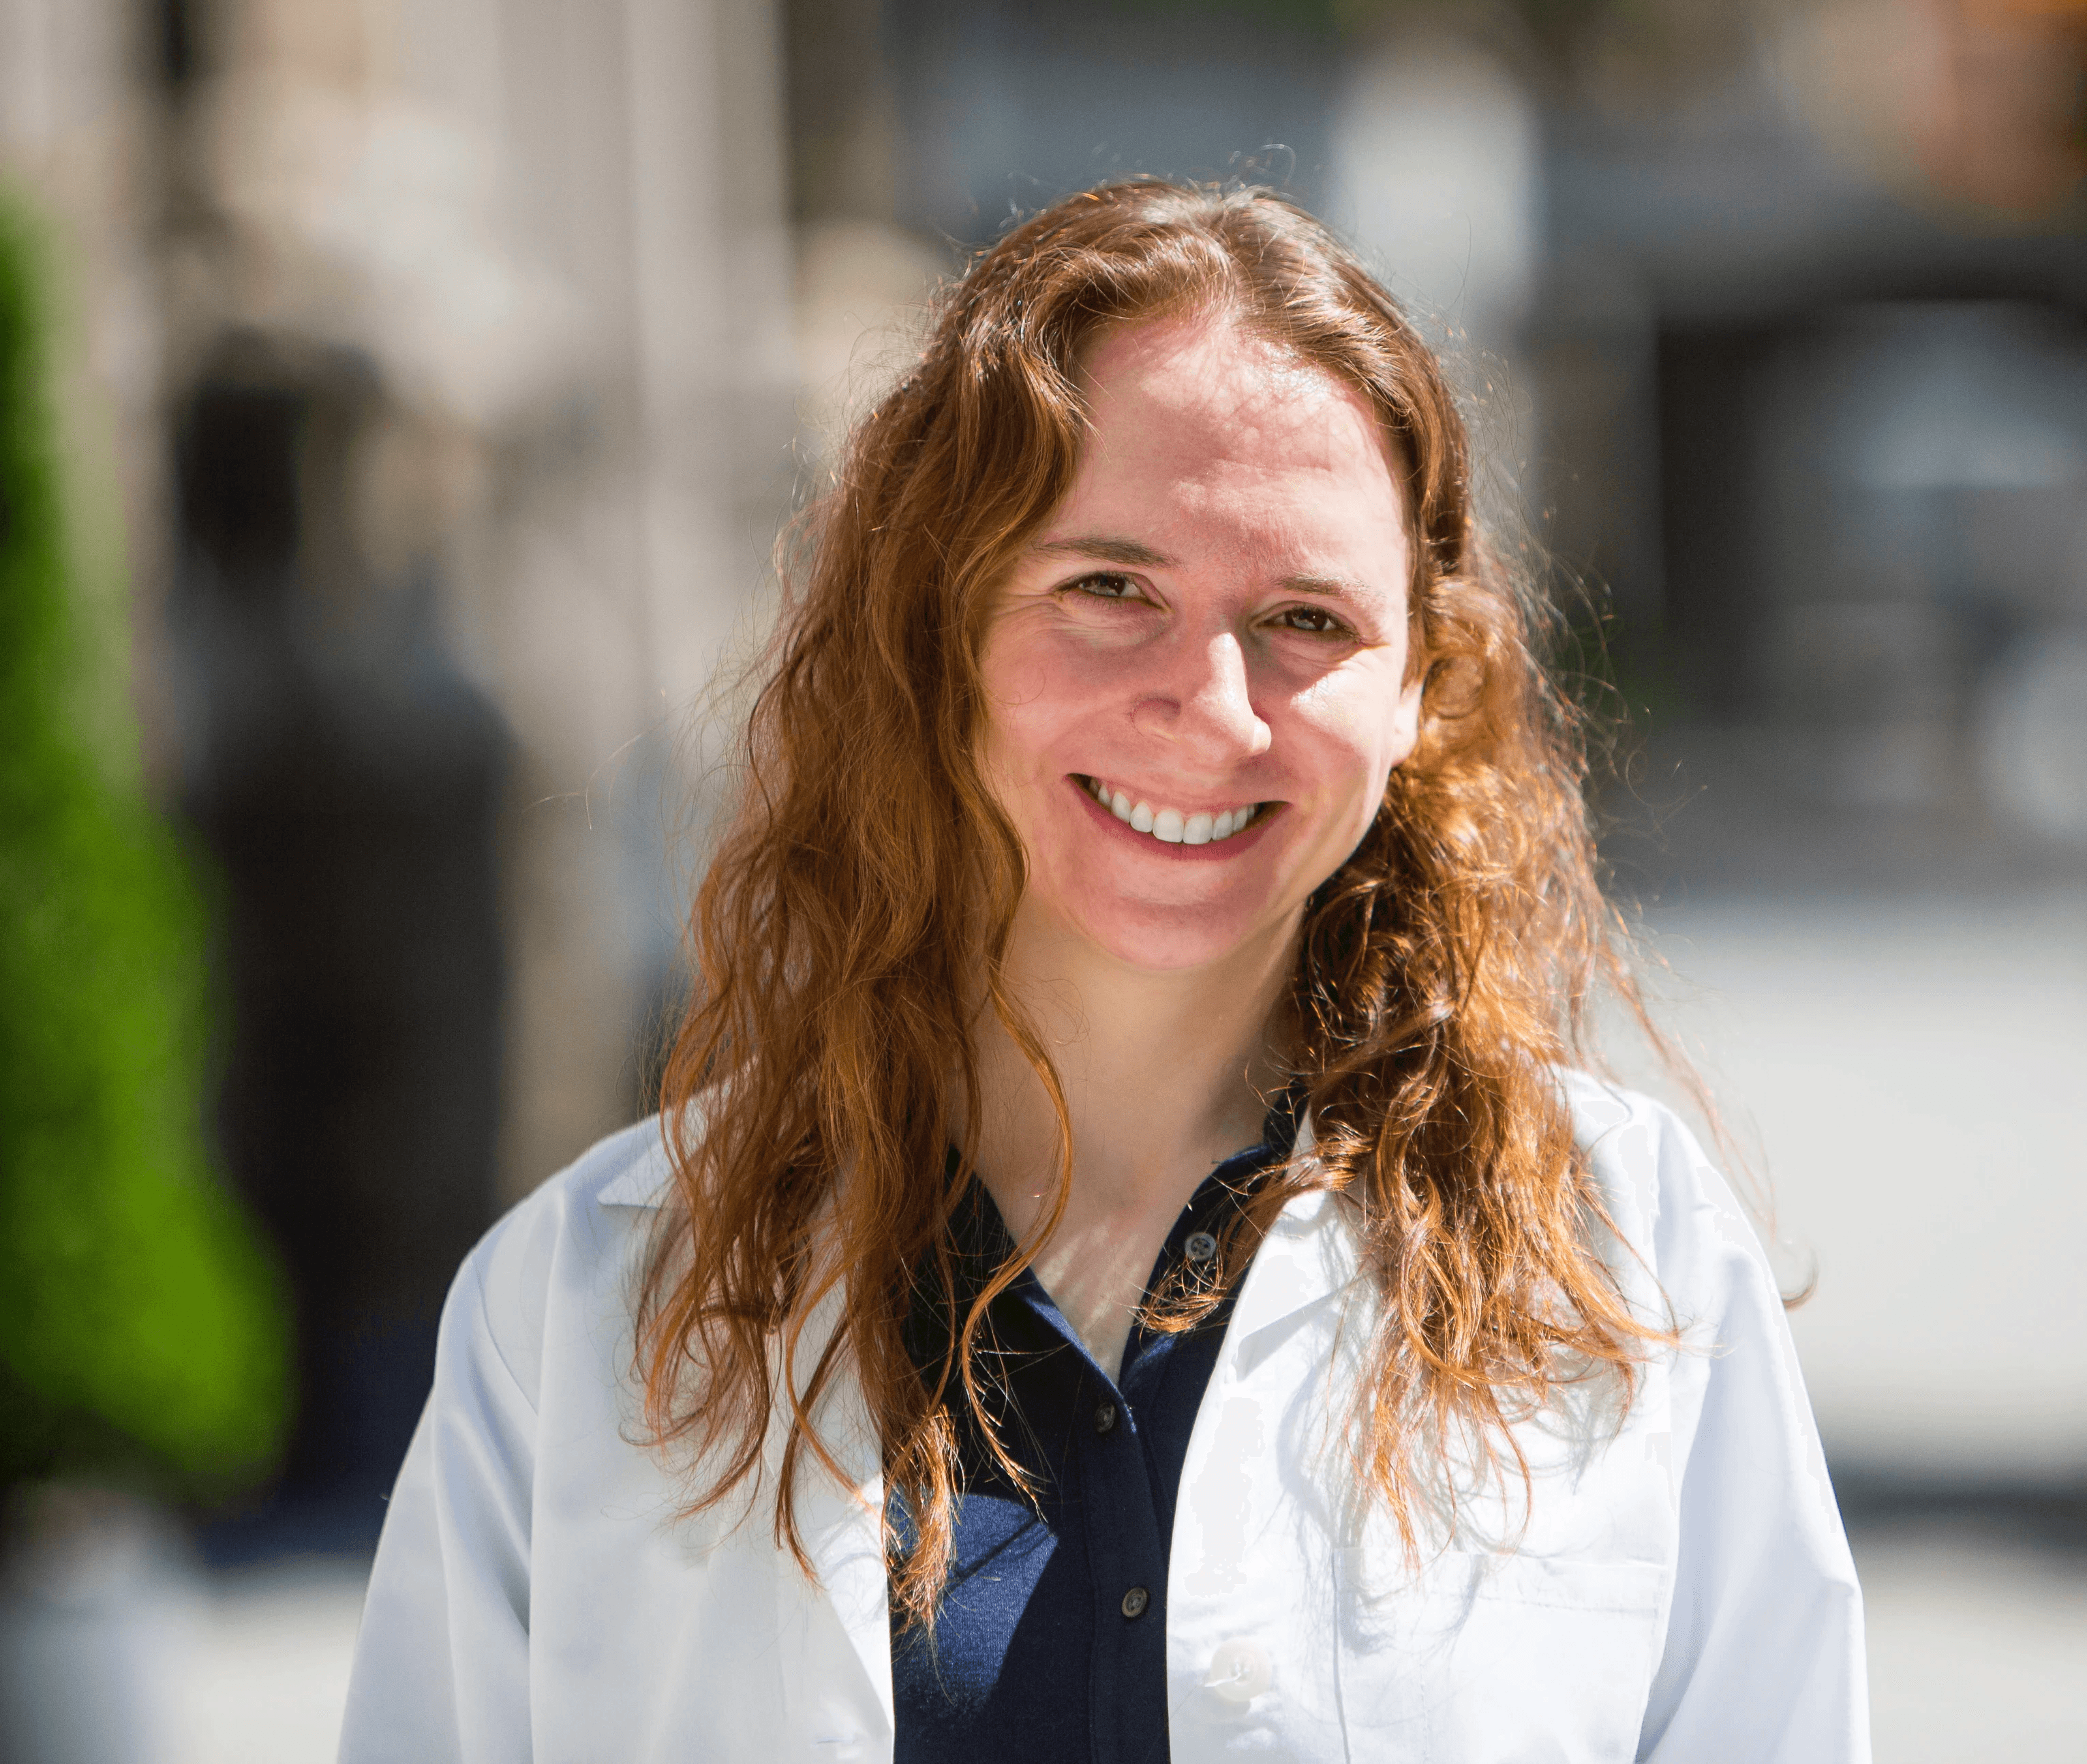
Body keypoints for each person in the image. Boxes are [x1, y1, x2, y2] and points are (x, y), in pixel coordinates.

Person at [339, 181, 1868, 1763]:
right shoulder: (584, 1304)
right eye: (1110, 588)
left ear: (1425, 684)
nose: (1210, 706)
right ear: (940, 632)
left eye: (1305, 618)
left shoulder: (1627, 1264)